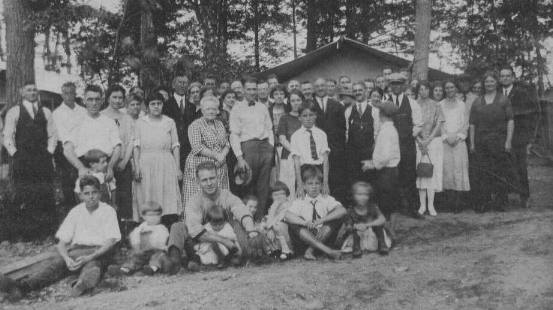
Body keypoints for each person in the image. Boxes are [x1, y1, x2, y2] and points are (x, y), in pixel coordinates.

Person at [1, 176, 121, 300]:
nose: (91, 197)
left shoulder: (108, 211)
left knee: (93, 264)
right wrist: (66, 258)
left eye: (94, 192)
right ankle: (21, 287)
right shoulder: (76, 212)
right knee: (56, 265)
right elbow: (61, 242)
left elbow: (111, 241)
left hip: (100, 251)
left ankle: (82, 283)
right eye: (87, 193)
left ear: (100, 194)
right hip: (78, 252)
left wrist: (90, 256)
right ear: (81, 196)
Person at [167, 162, 265, 272]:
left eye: (212, 178)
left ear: (217, 178)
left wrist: (251, 229)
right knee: (177, 226)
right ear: (198, 182)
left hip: (227, 240)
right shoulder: (194, 200)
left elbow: (240, 209)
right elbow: (194, 230)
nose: (209, 183)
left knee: (238, 222)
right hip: (202, 241)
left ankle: (245, 256)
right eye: (204, 180)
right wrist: (224, 241)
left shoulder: (226, 195)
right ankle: (174, 263)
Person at [2, 81, 57, 239]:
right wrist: (15, 153)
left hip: (43, 158)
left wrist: (49, 151)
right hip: (23, 159)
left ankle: (46, 231)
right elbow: (7, 135)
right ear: (22, 92)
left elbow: (53, 134)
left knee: (44, 192)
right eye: (29, 90)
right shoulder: (15, 111)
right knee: (26, 193)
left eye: (34, 90)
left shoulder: (46, 111)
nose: (33, 93)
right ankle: (27, 233)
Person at [63, 85, 122, 201]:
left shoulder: (109, 122)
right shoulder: (75, 121)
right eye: (90, 99)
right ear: (84, 100)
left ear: (102, 100)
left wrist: (110, 167)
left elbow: (118, 147)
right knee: (84, 208)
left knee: (107, 205)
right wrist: (80, 168)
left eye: (97, 99)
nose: (94, 103)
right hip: (84, 166)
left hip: (104, 167)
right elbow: (67, 149)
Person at [133, 93, 183, 227]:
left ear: (163, 105)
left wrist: (177, 168)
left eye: (159, 103)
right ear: (148, 106)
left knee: (167, 195)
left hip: (166, 162)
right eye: (153, 104)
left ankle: (167, 226)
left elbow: (175, 146)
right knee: (148, 193)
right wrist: (137, 167)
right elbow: (136, 147)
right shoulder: (140, 122)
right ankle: (149, 226)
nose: (156, 106)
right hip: (146, 162)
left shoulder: (169, 122)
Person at [230, 78, 274, 220]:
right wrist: (240, 157)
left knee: (263, 187)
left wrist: (271, 148)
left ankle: (259, 219)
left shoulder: (263, 107)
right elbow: (234, 134)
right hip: (247, 148)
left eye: (254, 89)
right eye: (248, 89)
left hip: (264, 147)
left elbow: (270, 128)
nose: (252, 92)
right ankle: (246, 220)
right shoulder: (237, 109)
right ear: (243, 90)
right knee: (247, 185)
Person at [470, 73, 514, 212]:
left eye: (492, 81)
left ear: (496, 83)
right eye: (487, 82)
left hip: (498, 141)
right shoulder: (477, 101)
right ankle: (484, 201)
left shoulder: (503, 100)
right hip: (481, 141)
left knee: (499, 171)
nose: (489, 84)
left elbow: (510, 121)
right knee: (483, 172)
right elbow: (472, 124)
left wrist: (508, 141)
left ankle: (500, 202)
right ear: (484, 84)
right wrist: (472, 143)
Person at [284, 165, 346, 260]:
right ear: (304, 186)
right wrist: (304, 222)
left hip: (324, 238)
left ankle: (311, 250)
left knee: (336, 217)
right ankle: (328, 251)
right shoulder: (300, 201)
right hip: (304, 242)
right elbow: (287, 215)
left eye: (317, 183)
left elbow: (342, 210)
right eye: (310, 184)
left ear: (321, 185)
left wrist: (321, 220)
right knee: (293, 222)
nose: (314, 187)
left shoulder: (327, 199)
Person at [499, 66, 540, 208]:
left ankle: (524, 196)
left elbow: (533, 114)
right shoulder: (497, 93)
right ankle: (504, 198)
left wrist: (529, 138)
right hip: (500, 136)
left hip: (518, 137)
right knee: (503, 167)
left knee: (520, 167)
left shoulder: (521, 93)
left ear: (513, 77)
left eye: (508, 76)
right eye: (502, 76)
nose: (505, 78)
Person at [361, 100, 400, 238]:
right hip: (388, 170)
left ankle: (389, 231)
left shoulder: (387, 131)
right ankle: (388, 230)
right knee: (390, 201)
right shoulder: (388, 129)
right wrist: (373, 161)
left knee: (387, 202)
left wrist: (372, 165)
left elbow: (385, 156)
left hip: (387, 172)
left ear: (382, 114)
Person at [388, 73, 423, 219]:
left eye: (399, 84)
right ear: (390, 86)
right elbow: (379, 126)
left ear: (403, 86)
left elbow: (419, 124)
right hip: (391, 148)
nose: (396, 86)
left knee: (409, 176)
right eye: (393, 84)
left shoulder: (412, 103)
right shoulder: (385, 103)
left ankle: (412, 209)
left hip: (407, 146)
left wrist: (409, 135)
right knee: (391, 177)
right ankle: (392, 208)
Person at [183, 96, 230, 205]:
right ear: (202, 110)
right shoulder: (195, 125)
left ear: (217, 110)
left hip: (219, 166)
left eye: (214, 109)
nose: (211, 111)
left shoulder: (219, 124)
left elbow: (227, 143)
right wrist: (216, 156)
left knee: (219, 199)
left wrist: (222, 155)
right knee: (199, 199)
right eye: (208, 109)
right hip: (200, 165)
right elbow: (197, 147)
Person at [311, 77, 347, 202]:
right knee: (318, 179)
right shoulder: (310, 105)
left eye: (322, 86)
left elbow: (342, 129)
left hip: (335, 150)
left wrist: (339, 148)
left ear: (326, 87)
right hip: (316, 150)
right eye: (317, 86)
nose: (320, 88)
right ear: (314, 89)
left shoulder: (337, 105)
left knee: (336, 179)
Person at [101, 85, 134, 219]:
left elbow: (131, 141)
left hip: (123, 164)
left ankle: (123, 231)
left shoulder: (127, 118)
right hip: (106, 164)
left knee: (124, 197)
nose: (117, 100)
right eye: (114, 97)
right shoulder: (101, 116)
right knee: (108, 197)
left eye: (120, 97)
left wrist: (125, 161)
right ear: (108, 98)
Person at [53, 82, 86, 210]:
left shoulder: (83, 111)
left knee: (83, 180)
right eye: (65, 93)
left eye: (71, 92)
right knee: (68, 181)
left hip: (82, 149)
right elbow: (64, 136)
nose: (68, 96)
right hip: (65, 149)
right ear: (62, 95)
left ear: (75, 93)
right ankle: (71, 209)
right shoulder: (57, 113)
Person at [440, 80, 471, 212]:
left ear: (456, 89)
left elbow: (466, 123)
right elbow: (439, 123)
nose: (449, 90)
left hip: (459, 142)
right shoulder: (440, 105)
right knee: (447, 171)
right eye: (447, 88)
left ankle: (459, 203)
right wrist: (446, 137)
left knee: (459, 169)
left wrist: (458, 137)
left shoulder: (462, 105)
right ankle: (449, 203)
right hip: (445, 142)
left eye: (452, 87)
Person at [117, 202, 171, 275]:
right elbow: (134, 236)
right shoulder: (142, 227)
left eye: (157, 215)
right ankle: (127, 268)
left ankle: (152, 268)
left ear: (161, 215)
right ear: (144, 216)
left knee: (158, 257)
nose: (154, 218)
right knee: (135, 256)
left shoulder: (161, 228)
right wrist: (136, 245)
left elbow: (163, 240)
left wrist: (154, 243)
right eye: (150, 215)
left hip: (156, 250)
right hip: (143, 252)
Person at [162, 72, 201, 174]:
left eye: (185, 83)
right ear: (173, 85)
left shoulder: (192, 107)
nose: (182, 85)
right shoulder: (165, 105)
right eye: (180, 82)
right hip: (172, 149)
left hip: (189, 150)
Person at [337, 182, 389, 257]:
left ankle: (382, 245)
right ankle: (357, 248)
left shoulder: (373, 207)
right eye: (359, 194)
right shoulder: (350, 211)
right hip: (358, 238)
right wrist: (355, 226)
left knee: (378, 226)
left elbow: (382, 219)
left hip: (373, 236)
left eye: (366, 194)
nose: (363, 197)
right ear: (353, 196)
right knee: (355, 232)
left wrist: (366, 225)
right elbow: (348, 226)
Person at [415, 81, 444, 216]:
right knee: (421, 173)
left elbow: (439, 124)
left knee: (431, 173)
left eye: (426, 89)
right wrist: (420, 141)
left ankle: (431, 206)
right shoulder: (414, 105)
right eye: (421, 89)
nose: (424, 91)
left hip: (432, 143)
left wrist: (428, 140)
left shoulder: (436, 105)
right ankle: (422, 206)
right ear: (418, 91)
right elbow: (412, 125)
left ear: (429, 90)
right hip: (418, 143)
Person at [291, 103, 330, 198]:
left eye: (311, 115)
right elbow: (296, 161)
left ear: (315, 116)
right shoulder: (295, 136)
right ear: (299, 118)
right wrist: (300, 184)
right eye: (304, 116)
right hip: (304, 171)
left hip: (319, 170)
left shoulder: (321, 134)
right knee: (303, 200)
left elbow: (325, 160)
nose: (308, 118)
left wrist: (325, 182)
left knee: (322, 199)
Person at [344, 83, 379, 187]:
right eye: (355, 91)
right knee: (354, 182)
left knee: (369, 182)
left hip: (368, 154)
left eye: (360, 90)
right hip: (353, 155)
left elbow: (377, 134)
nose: (357, 92)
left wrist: (374, 156)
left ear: (366, 92)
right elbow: (346, 132)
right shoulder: (348, 111)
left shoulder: (374, 111)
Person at [277, 90, 303, 198]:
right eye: (293, 100)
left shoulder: (306, 117)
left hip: (304, 157)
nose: (296, 103)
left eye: (298, 100)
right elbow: (282, 138)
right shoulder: (284, 118)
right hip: (288, 156)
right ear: (289, 102)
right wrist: (295, 151)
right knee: (289, 187)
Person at [262, 181, 294, 260]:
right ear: (271, 196)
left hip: (289, 233)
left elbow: (278, 219)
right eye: (276, 195)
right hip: (276, 230)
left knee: (277, 226)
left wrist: (269, 227)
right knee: (262, 226)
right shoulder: (273, 207)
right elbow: (268, 221)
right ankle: (274, 249)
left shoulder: (288, 206)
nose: (279, 197)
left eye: (282, 194)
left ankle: (288, 250)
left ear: (287, 195)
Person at [125, 93, 143, 221]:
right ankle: (135, 220)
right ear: (127, 106)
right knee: (133, 192)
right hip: (130, 158)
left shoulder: (143, 119)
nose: (135, 107)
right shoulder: (125, 120)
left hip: (144, 157)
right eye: (132, 104)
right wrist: (132, 163)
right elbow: (130, 142)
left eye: (138, 104)